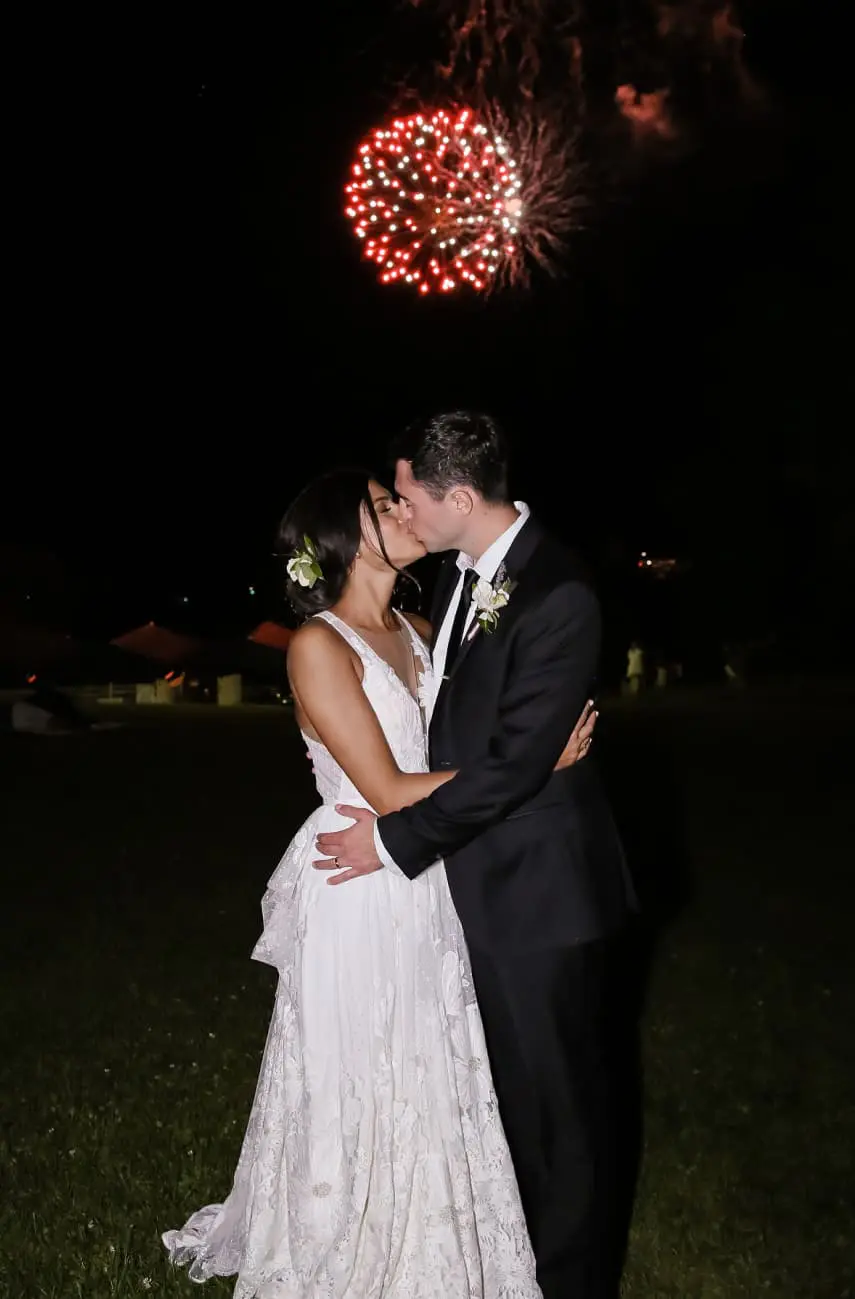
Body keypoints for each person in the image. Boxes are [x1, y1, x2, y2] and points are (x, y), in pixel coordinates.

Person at [163, 466, 596, 1298]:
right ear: (341, 535)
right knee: (362, 1073)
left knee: (429, 1065)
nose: (404, 512)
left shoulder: (419, 626)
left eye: (399, 500)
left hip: (422, 871)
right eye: (384, 506)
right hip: (357, 879)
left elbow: (445, 756)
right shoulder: (318, 645)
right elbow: (390, 788)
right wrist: (531, 763)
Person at [317, 414, 638, 1299]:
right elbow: (491, 749)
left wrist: (389, 840)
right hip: (472, 885)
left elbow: (509, 768)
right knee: (507, 1106)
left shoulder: (556, 592)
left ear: (459, 497)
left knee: (558, 1114)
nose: (403, 511)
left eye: (408, 496)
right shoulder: (457, 580)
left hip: (540, 896)